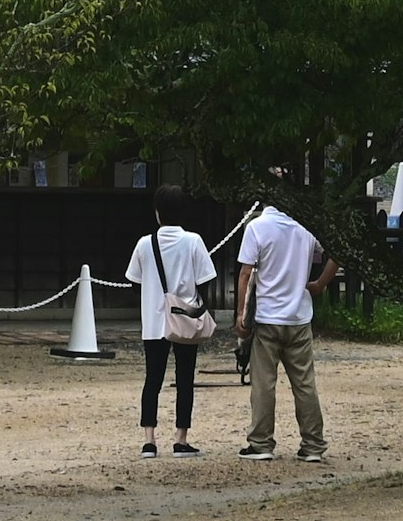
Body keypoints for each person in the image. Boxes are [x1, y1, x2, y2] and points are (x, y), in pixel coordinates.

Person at [233, 190, 330, 464]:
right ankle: (313, 443)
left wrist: (241, 313)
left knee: (264, 382)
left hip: (267, 317)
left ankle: (261, 441)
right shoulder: (305, 226)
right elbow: (336, 253)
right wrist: (320, 283)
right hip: (299, 316)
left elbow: (245, 273)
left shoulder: (258, 227)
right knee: (304, 383)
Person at [123, 217, 215, 458]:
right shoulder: (193, 241)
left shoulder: (145, 243)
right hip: (184, 319)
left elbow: (133, 281)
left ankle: (149, 440)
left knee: (153, 378)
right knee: (185, 378)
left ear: (157, 213)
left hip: (154, 321)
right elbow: (207, 279)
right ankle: (181, 438)